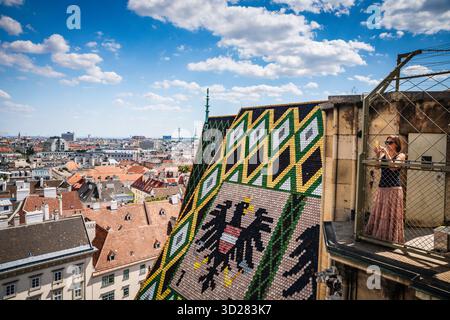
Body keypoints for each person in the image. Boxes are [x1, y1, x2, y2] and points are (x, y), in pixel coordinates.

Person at [365, 135, 406, 243]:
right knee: (381, 213)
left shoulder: (401, 155)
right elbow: (377, 167)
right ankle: (380, 237)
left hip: (393, 188)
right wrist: (378, 153)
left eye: (390, 142)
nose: (387, 144)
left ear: (396, 144)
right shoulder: (383, 154)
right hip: (382, 187)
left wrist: (387, 153)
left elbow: (393, 167)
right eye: (386, 142)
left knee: (391, 215)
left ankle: (391, 238)